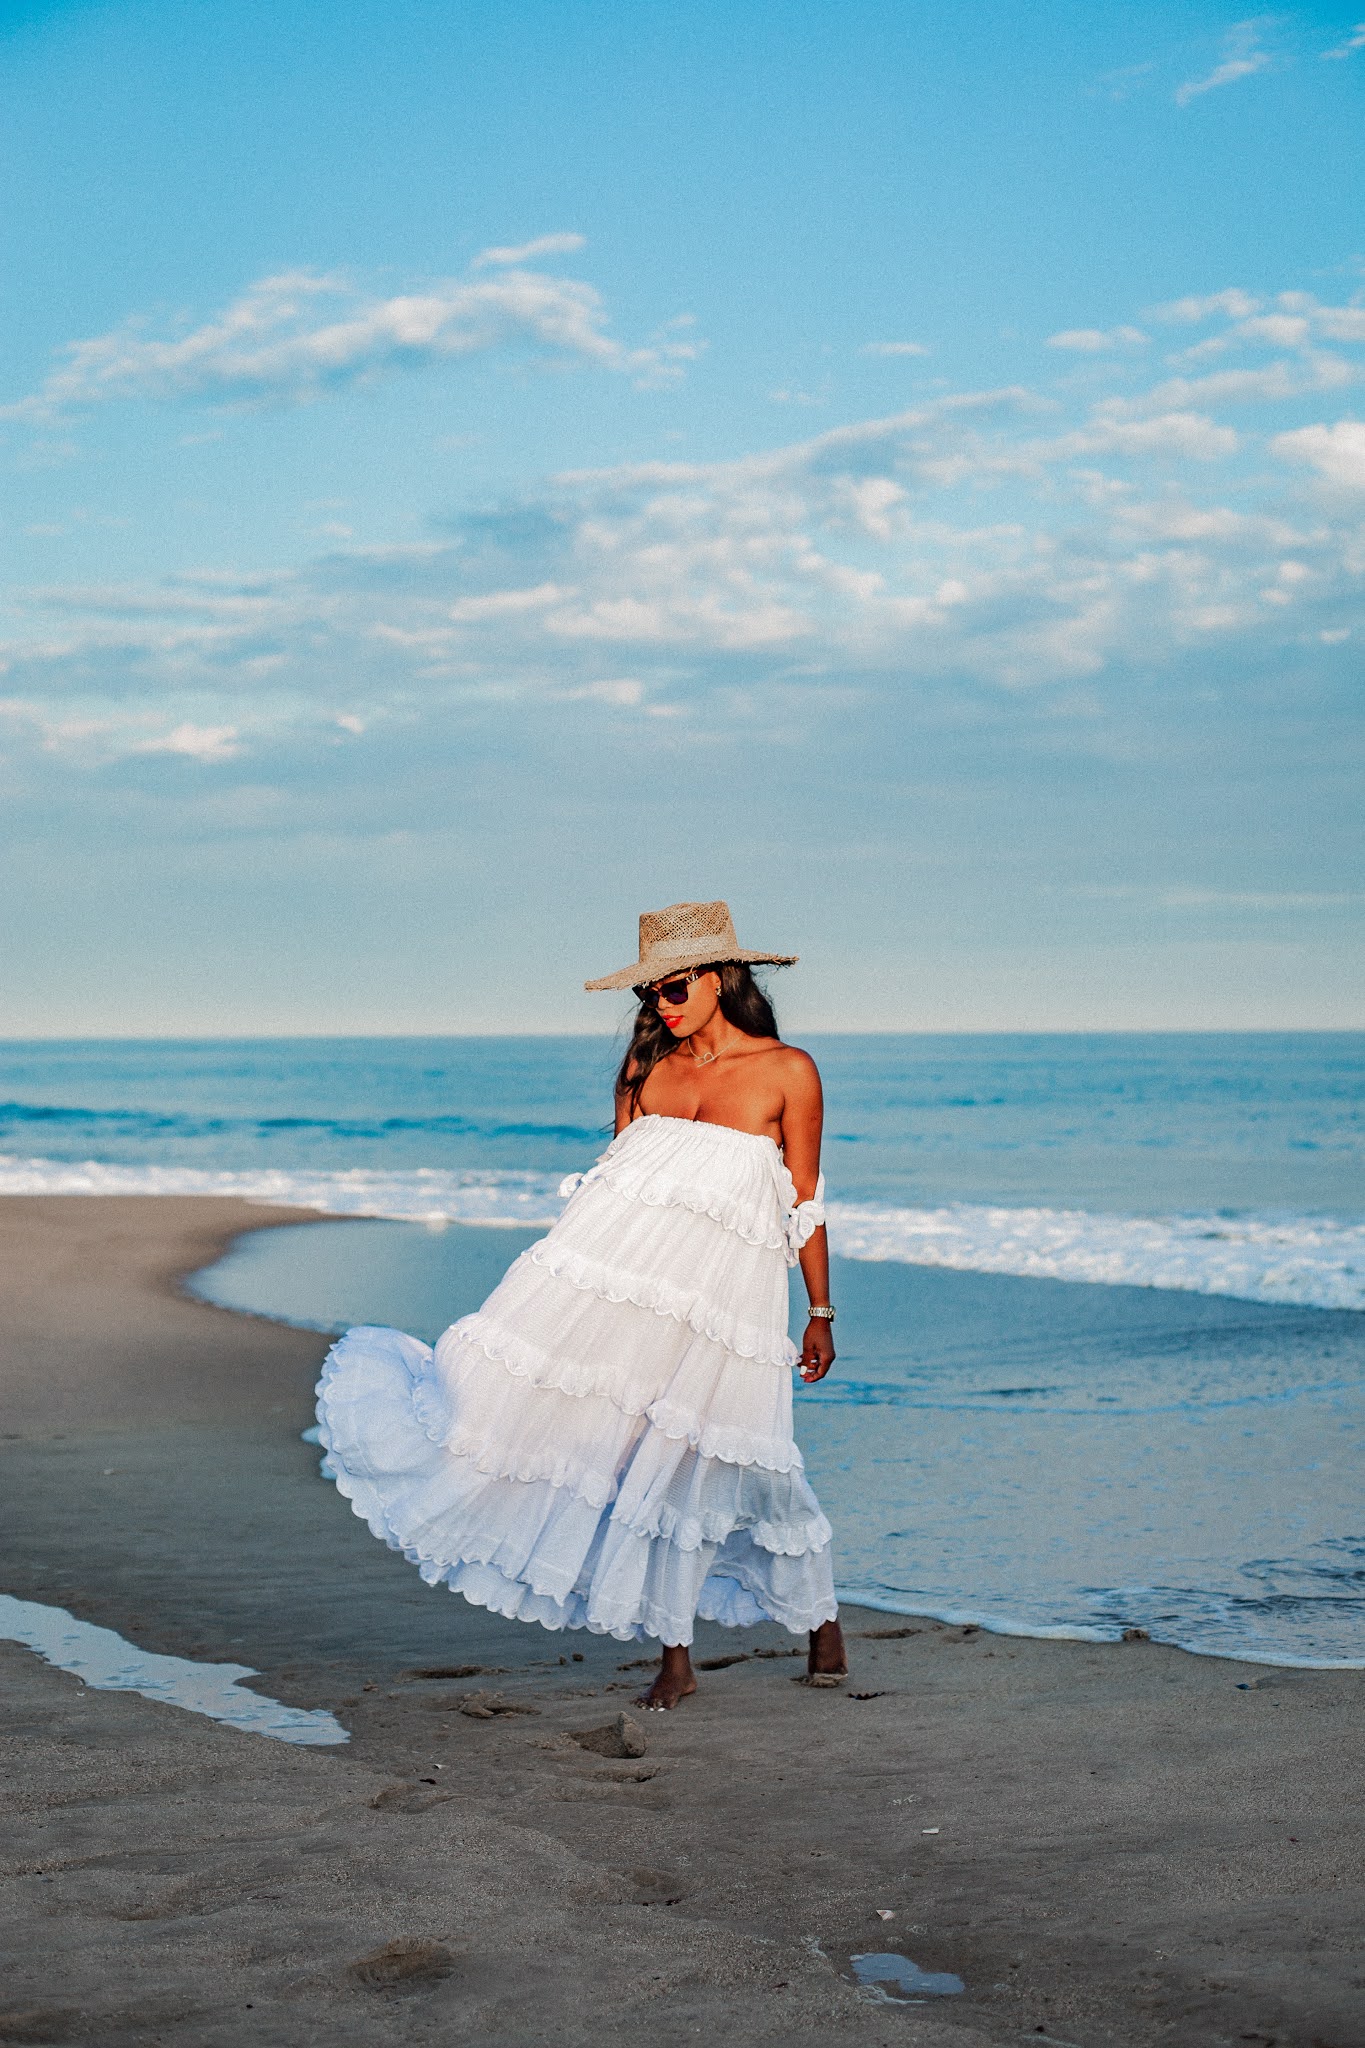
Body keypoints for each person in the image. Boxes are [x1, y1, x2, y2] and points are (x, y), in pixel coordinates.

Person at [315, 898, 846, 1709]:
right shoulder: (648, 1072)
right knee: (639, 1458)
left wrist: (819, 1312)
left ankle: (820, 1619)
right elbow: (614, 1191)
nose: (660, 1008)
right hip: (628, 1292)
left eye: (673, 990)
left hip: (723, 1304)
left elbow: (803, 1201)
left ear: (718, 979)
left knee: (742, 1456)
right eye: (650, 996)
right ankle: (675, 1660)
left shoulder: (786, 1072)